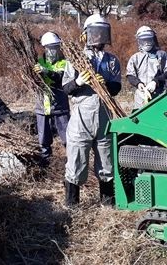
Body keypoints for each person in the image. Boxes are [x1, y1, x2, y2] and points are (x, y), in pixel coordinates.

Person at [62, 14, 121, 206]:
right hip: (81, 118)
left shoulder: (111, 60)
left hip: (105, 117)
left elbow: (117, 88)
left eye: (102, 32)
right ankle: (72, 205)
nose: (99, 37)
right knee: (76, 160)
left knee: (107, 161)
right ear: (86, 34)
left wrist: (107, 85)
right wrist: (78, 82)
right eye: (95, 32)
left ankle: (108, 202)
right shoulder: (76, 59)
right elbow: (66, 88)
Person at [33, 32, 70, 166]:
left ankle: (71, 161)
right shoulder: (38, 62)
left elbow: (60, 78)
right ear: (44, 48)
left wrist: (46, 71)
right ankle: (46, 162)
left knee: (67, 137)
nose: (54, 51)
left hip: (60, 106)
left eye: (56, 47)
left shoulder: (64, 63)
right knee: (43, 137)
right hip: (42, 106)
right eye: (51, 48)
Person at [126, 26, 167, 110]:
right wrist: (138, 83)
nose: (146, 43)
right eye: (143, 40)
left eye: (149, 40)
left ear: (153, 39)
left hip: (159, 95)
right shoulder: (135, 57)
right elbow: (130, 75)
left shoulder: (162, 55)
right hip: (141, 97)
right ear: (139, 41)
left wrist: (156, 81)